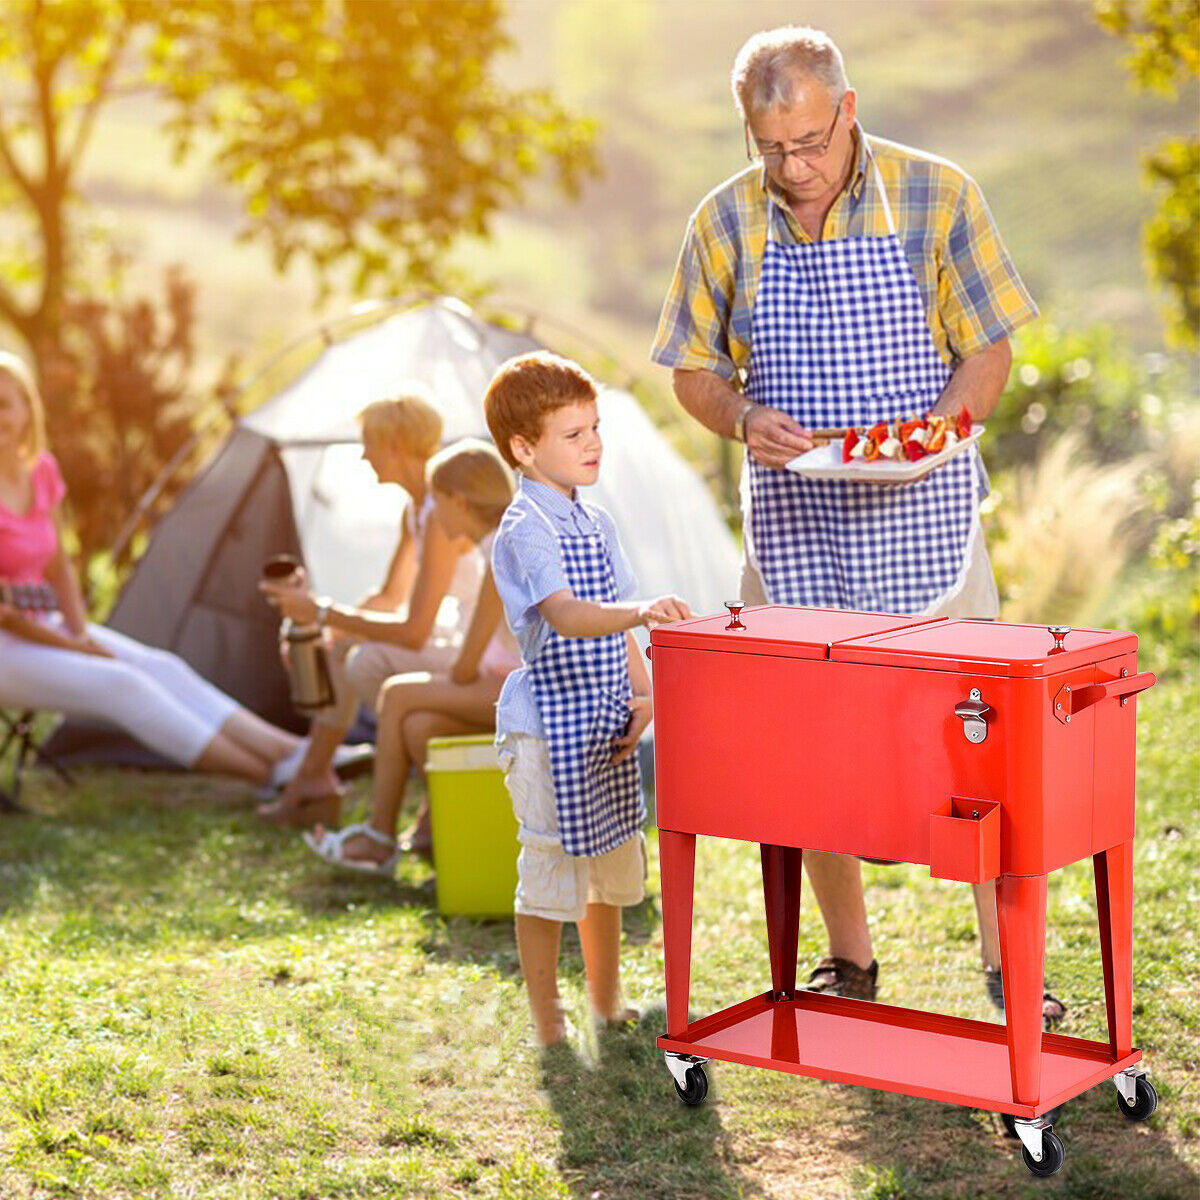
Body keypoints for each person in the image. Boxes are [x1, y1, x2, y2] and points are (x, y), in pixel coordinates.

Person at [652, 26, 1064, 1026]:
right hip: (796, 519)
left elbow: (988, 352)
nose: (791, 167)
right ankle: (849, 962)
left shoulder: (939, 194)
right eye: (769, 147)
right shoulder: (724, 221)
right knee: (804, 750)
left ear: (847, 109)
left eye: (807, 142)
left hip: (924, 516)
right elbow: (691, 370)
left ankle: (1013, 971)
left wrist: (939, 432)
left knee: (980, 744)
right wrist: (743, 417)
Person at [484, 351, 692, 1046]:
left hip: (602, 719)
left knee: (607, 861)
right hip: (546, 727)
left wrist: (646, 697)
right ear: (523, 448)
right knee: (550, 869)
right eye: (573, 434)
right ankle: (549, 1017)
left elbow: (616, 628)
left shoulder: (596, 524)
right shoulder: (525, 527)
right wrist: (640, 611)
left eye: (595, 427)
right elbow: (570, 615)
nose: (594, 443)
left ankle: (606, 1000)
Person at [0, 350, 307, 787]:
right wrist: (73, 647)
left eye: (4, 404)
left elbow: (58, 566)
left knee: (163, 667)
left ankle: (298, 754)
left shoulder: (41, 472)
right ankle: (271, 777)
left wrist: (79, 630)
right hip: (6, 648)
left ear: (28, 409)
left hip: (43, 622)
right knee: (125, 685)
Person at [258, 395, 484, 827]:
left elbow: (415, 632)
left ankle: (320, 781)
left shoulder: (441, 514)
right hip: (451, 640)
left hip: (475, 649)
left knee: (363, 660)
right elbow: (390, 597)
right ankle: (314, 777)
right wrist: (326, 633)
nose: (363, 455)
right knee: (346, 652)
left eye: (369, 443)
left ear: (395, 445)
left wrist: (323, 613)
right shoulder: (415, 511)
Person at [303, 439, 522, 872]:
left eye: (437, 503)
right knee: (419, 725)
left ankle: (379, 837)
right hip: (508, 683)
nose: (433, 517)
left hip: (521, 687)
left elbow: (464, 668)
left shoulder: (500, 555)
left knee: (399, 696)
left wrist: (437, 682)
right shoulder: (500, 545)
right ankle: (443, 830)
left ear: (459, 503)